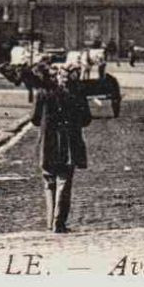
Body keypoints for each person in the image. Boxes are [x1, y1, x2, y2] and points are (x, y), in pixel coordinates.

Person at [32, 66, 92, 233]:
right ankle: (59, 222)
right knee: (64, 181)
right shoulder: (77, 94)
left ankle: (51, 221)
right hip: (69, 144)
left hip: (47, 144)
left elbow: (35, 119)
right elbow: (87, 119)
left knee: (49, 182)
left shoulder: (43, 93)